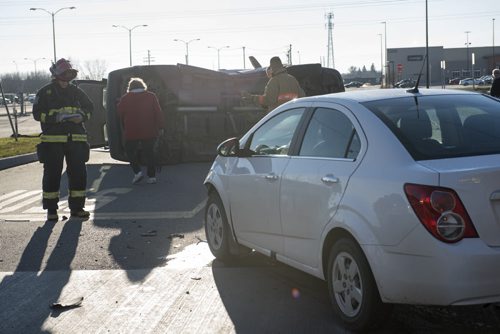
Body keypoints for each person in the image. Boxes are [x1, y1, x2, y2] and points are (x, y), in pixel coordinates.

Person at [32, 58, 94, 221]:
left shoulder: (76, 91)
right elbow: (37, 113)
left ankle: (77, 208)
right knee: (52, 174)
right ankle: (51, 210)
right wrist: (56, 118)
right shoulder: (45, 92)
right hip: (53, 141)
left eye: (69, 76)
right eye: (65, 76)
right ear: (57, 76)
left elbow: (90, 108)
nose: (67, 80)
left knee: (79, 174)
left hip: (76, 139)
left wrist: (81, 117)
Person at [117, 77, 165, 184]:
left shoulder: (125, 98)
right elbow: (158, 112)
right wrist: (161, 127)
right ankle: (152, 177)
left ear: (130, 87)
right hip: (149, 129)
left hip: (131, 130)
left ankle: (137, 172)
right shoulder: (151, 96)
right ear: (143, 86)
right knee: (149, 153)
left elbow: (119, 112)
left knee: (129, 151)